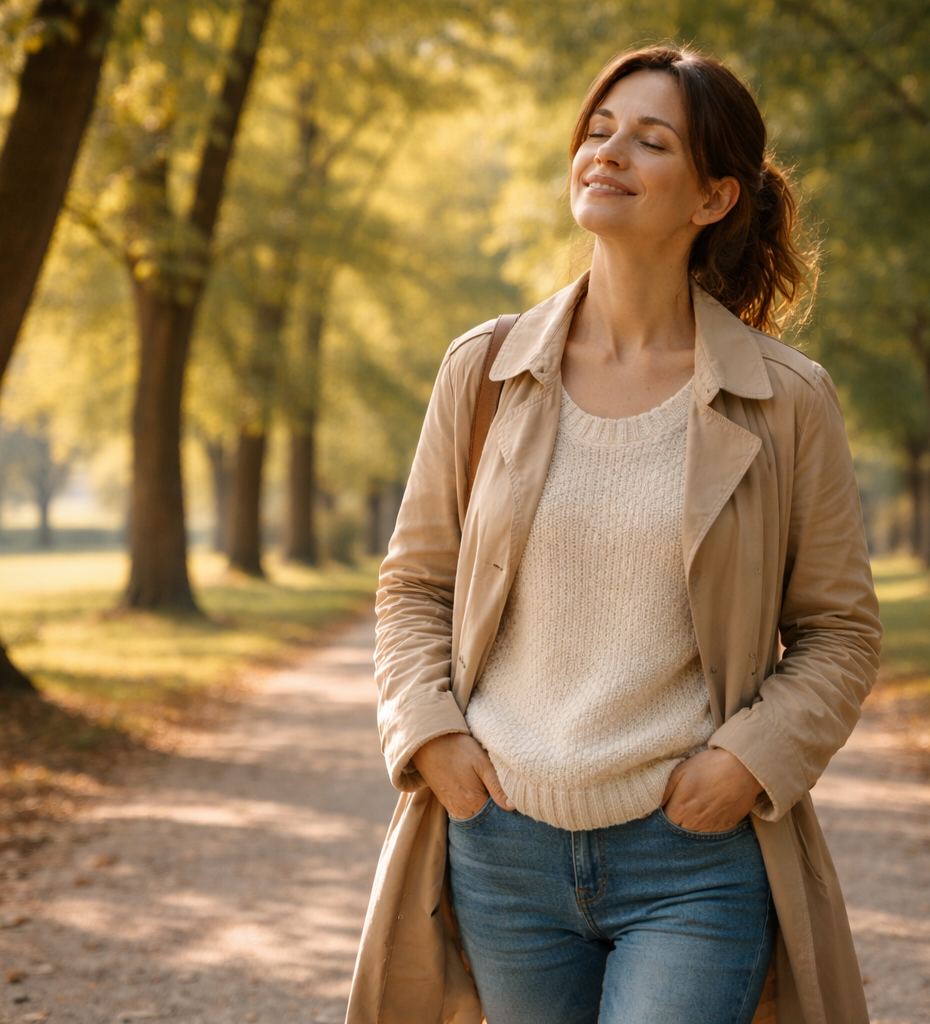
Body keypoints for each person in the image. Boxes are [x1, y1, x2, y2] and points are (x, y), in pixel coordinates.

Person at [349, 44, 881, 1024]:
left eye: (650, 141)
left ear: (714, 197)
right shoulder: (485, 369)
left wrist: (747, 762)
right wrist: (430, 735)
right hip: (502, 852)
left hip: (693, 857)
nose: (608, 153)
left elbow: (839, 630)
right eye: (598, 132)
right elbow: (415, 584)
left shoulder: (786, 399)